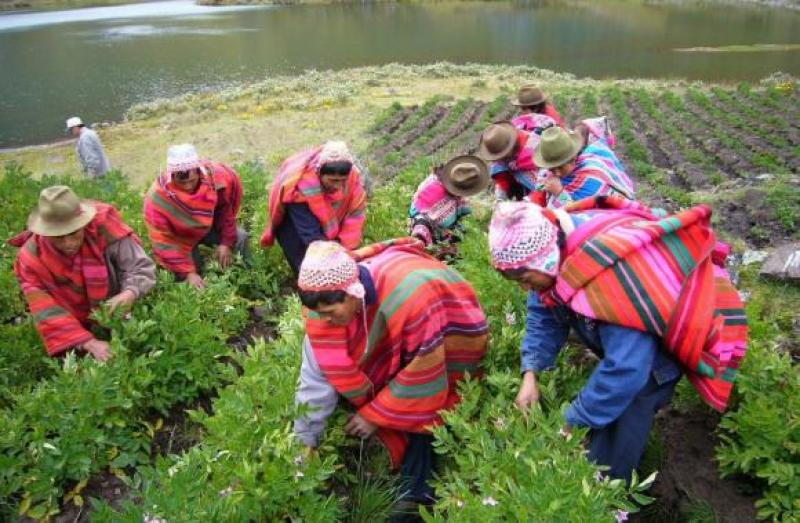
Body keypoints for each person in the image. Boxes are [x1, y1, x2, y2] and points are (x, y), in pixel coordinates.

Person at [487, 197, 748, 482]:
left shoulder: (608, 272)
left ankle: (612, 497)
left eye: (525, 278)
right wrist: (531, 373)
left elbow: (627, 368)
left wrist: (573, 421)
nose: (526, 287)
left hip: (656, 352)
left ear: (545, 258)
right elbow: (544, 312)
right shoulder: (555, 255)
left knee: (618, 437)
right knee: (603, 412)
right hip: (632, 346)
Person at [294, 239, 488, 506]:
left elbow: (425, 375)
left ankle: (416, 495)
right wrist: (307, 440)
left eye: (329, 312)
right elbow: (314, 380)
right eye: (318, 313)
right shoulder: (323, 312)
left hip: (447, 325)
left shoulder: (410, 301)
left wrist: (375, 416)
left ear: (353, 293)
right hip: (407, 326)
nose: (324, 320)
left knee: (426, 412)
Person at [10, 186, 156, 361]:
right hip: (72, 315)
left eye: (74, 233)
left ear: (83, 223)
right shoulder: (30, 258)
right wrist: (88, 342)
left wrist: (130, 293)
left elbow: (139, 266)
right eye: (58, 237)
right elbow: (46, 309)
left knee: (140, 343)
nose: (67, 243)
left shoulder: (104, 226)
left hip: (117, 297)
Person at [144, 144, 248, 290]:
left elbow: (225, 212)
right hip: (179, 238)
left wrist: (226, 243)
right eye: (181, 182)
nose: (187, 186)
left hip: (207, 226)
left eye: (191, 181)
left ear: (198, 172)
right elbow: (163, 240)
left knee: (240, 237)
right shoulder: (158, 197)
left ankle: (247, 279)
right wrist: (188, 273)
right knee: (194, 277)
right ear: (172, 175)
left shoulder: (213, 179)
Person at [260, 141, 367, 274]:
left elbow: (355, 217)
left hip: (328, 224)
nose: (338, 186)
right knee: (309, 271)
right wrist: (331, 259)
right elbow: (311, 236)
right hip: (294, 226)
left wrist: (345, 250)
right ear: (319, 174)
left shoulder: (352, 177)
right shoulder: (301, 186)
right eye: (333, 180)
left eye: (342, 180)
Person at [528, 126, 635, 209]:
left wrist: (560, 194)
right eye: (551, 168)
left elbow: (585, 214)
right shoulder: (546, 176)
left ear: (573, 158)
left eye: (561, 168)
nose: (557, 174)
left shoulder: (591, 177)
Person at [408, 155, 489, 254]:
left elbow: (464, 213)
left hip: (429, 229)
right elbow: (422, 215)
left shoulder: (436, 181)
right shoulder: (437, 191)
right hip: (427, 233)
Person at [479, 121, 542, 201]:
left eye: (503, 155)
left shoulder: (533, 144)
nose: (502, 159)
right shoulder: (501, 163)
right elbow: (502, 181)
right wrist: (500, 200)